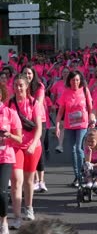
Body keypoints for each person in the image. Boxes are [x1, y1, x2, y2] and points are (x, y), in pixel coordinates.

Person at [8, 74, 43, 229]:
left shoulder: (34, 103)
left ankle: (28, 207)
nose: (18, 88)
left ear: (27, 86)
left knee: (29, 180)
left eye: (21, 85)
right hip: (15, 146)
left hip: (32, 146)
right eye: (16, 85)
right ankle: (16, 217)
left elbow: (39, 128)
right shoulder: (10, 103)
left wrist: (33, 144)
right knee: (16, 181)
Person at [55, 70, 95, 187]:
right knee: (72, 150)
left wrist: (92, 120)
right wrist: (57, 125)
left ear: (80, 80)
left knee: (79, 148)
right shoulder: (66, 93)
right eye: (73, 80)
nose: (75, 82)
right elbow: (60, 112)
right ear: (69, 81)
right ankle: (77, 176)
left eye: (77, 80)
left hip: (82, 124)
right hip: (69, 125)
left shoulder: (84, 90)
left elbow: (91, 107)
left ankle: (83, 174)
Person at [21, 66, 48, 193]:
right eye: (25, 73)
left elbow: (38, 102)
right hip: (24, 120)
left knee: (38, 148)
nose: (27, 75)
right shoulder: (20, 85)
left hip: (38, 119)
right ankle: (34, 179)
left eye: (29, 73)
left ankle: (41, 180)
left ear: (33, 74)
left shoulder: (39, 86)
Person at [0, 82, 22, 233]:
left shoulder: (10, 113)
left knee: (1, 191)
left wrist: (9, 135)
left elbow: (19, 139)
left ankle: (3, 221)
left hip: (5, 156)